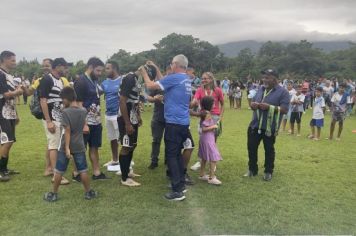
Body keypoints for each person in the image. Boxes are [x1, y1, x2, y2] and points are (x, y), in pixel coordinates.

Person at [140, 55, 191, 201]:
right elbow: (164, 81)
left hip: (174, 123)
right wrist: (155, 68)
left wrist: (143, 72)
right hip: (182, 122)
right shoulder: (185, 79)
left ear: (176, 65)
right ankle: (180, 183)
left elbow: (151, 86)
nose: (170, 65)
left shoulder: (175, 78)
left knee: (172, 156)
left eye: (172, 63)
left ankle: (177, 191)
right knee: (176, 155)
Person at [43, 87, 97, 202]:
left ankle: (54, 194)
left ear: (66, 98)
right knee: (83, 170)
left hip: (65, 145)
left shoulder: (65, 112)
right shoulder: (83, 111)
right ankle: (88, 192)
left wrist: (67, 148)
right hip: (79, 144)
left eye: (63, 99)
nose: (62, 102)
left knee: (59, 170)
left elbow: (67, 130)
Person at [245, 69, 290, 181]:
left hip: (270, 127)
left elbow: (284, 110)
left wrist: (269, 107)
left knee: (269, 149)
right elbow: (254, 102)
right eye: (264, 77)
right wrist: (253, 105)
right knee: (251, 147)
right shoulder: (261, 89)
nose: (264, 79)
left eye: (267, 77)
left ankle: (268, 171)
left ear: (275, 79)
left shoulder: (283, 92)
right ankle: (252, 169)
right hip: (255, 124)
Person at [74, 57, 109, 181]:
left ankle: (97, 172)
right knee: (80, 148)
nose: (100, 73)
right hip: (84, 122)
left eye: (101, 71)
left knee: (94, 146)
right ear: (90, 67)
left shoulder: (95, 81)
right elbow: (78, 104)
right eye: (98, 71)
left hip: (96, 121)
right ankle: (77, 173)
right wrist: (84, 124)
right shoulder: (81, 81)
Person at [39, 58, 70, 185]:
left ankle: (50, 169)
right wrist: (48, 121)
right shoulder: (48, 79)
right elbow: (43, 100)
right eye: (65, 67)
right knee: (54, 146)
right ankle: (56, 175)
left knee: (53, 143)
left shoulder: (60, 81)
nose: (66, 69)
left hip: (58, 117)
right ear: (58, 67)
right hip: (52, 117)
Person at [190, 72, 224, 171]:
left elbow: (222, 104)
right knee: (203, 140)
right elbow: (194, 101)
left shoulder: (217, 90)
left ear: (211, 79)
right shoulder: (200, 90)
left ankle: (212, 162)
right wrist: (193, 102)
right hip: (203, 117)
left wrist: (220, 117)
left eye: (205, 78)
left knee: (212, 141)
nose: (203, 80)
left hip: (214, 117)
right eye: (202, 78)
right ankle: (201, 161)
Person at [117, 71, 144, 187]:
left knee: (133, 144)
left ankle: (128, 171)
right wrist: (127, 123)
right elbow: (122, 101)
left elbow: (135, 101)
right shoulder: (129, 78)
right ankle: (124, 178)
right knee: (126, 145)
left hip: (133, 115)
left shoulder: (138, 80)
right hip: (126, 116)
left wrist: (138, 116)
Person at [0, 51, 23, 182]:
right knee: (6, 141)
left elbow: (11, 98)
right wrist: (18, 92)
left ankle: (5, 168)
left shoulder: (8, 75)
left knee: (9, 141)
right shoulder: (0, 74)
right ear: (4, 60)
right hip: (2, 113)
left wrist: (16, 114)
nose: (15, 62)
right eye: (13, 60)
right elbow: (6, 94)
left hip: (10, 113)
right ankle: (1, 171)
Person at [147, 65, 170, 169]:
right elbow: (148, 97)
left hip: (170, 117)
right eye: (168, 71)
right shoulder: (159, 84)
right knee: (156, 139)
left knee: (169, 140)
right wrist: (154, 98)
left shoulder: (175, 84)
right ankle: (154, 160)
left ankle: (167, 159)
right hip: (158, 117)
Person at [101, 61, 122, 169]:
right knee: (112, 139)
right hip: (108, 114)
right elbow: (97, 93)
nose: (105, 71)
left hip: (118, 115)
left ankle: (125, 163)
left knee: (122, 140)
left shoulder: (122, 81)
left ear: (114, 69)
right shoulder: (105, 82)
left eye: (107, 68)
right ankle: (115, 160)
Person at [198, 96, 222, 185]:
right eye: (213, 103)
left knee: (204, 157)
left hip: (204, 138)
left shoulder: (204, 112)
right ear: (209, 104)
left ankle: (202, 174)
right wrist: (214, 126)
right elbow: (204, 128)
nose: (214, 105)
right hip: (208, 139)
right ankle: (211, 177)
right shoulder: (207, 114)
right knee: (214, 157)